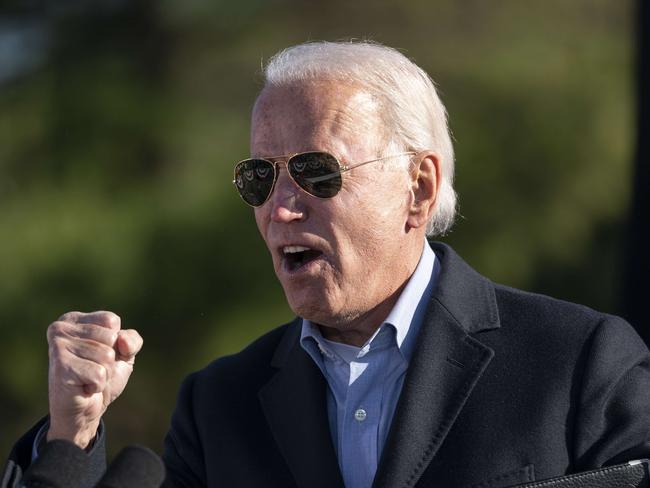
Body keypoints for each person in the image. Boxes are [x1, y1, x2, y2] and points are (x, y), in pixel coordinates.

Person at [4, 40, 650, 488]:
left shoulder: (580, 362)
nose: (279, 208)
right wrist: (75, 431)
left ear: (419, 187)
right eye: (260, 177)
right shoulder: (221, 403)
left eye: (316, 172)